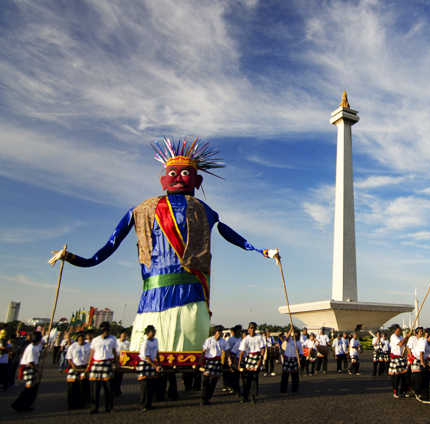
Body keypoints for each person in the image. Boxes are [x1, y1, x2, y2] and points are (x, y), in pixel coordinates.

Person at [48, 137, 277, 353]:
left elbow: (230, 234)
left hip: (191, 293)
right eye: (173, 173)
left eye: (185, 173)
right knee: (151, 343)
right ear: (163, 180)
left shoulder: (203, 210)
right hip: (154, 295)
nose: (178, 177)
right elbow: (110, 245)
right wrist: (73, 258)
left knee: (190, 345)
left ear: (197, 180)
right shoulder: (143, 209)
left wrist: (262, 251)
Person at [87, 322, 119, 414]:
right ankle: (94, 408)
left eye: (109, 330)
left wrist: (117, 364)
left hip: (108, 363)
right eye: (107, 330)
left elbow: (114, 352)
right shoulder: (95, 340)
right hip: (97, 364)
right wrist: (89, 366)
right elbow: (91, 354)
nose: (109, 332)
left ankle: (109, 407)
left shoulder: (113, 339)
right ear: (103, 331)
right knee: (94, 389)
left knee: (109, 388)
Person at [11, 331, 43, 412]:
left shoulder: (34, 347)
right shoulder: (31, 348)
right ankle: (19, 405)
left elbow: (35, 360)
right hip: (29, 369)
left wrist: (43, 355)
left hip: (32, 368)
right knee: (29, 388)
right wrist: (38, 371)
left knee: (33, 388)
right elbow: (30, 362)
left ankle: (27, 405)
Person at [200, 325, 229, 405]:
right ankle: (204, 398)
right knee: (206, 380)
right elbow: (203, 351)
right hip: (209, 361)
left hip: (217, 362)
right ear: (215, 332)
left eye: (221, 332)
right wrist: (199, 363)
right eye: (219, 331)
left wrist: (229, 360)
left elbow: (227, 351)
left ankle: (208, 397)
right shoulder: (208, 340)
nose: (220, 333)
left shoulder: (223, 341)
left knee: (214, 381)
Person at [237, 322, 266, 404]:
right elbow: (242, 352)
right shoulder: (246, 339)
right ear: (248, 329)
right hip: (249, 358)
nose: (252, 330)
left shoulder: (259, 337)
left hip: (257, 357)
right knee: (246, 379)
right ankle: (245, 396)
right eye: (251, 328)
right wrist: (239, 364)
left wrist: (261, 359)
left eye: (254, 328)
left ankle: (253, 396)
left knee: (254, 378)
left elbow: (263, 349)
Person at [66, 331, 91, 410]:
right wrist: (73, 365)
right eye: (81, 337)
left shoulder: (89, 346)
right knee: (72, 386)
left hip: (85, 367)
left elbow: (92, 357)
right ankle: (72, 404)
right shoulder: (73, 346)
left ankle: (82, 402)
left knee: (83, 384)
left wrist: (89, 366)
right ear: (78, 338)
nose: (82, 338)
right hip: (74, 366)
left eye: (83, 337)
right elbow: (69, 358)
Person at [388, 324, 409, 398]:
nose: (399, 329)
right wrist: (406, 337)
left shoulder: (401, 337)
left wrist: (406, 339)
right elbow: (400, 344)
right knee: (396, 376)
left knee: (405, 376)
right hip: (396, 359)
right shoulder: (393, 336)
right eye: (398, 328)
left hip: (401, 358)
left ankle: (403, 390)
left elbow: (404, 345)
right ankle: (395, 391)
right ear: (395, 329)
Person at [280, 328, 302, 394]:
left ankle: (294, 388)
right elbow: (286, 338)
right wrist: (290, 330)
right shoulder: (290, 340)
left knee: (295, 376)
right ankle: (283, 389)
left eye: (296, 334)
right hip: (287, 358)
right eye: (294, 334)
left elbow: (301, 353)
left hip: (294, 359)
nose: (295, 335)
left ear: (298, 336)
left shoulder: (299, 343)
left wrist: (299, 358)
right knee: (285, 375)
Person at [222, 325, 242, 395]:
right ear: (236, 331)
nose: (240, 332)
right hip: (232, 357)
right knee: (232, 374)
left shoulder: (241, 339)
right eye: (240, 330)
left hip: (239, 357)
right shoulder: (230, 339)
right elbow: (228, 349)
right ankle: (232, 387)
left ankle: (237, 389)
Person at [407, 327, 424, 395]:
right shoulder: (412, 338)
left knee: (417, 374)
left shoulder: (423, 339)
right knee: (414, 374)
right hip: (413, 358)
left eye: (422, 331)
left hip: (420, 358)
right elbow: (408, 347)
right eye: (420, 331)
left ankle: (416, 388)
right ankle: (414, 388)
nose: (421, 333)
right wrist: (411, 356)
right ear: (416, 332)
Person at [113, 331, 130, 396]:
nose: (124, 336)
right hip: (114, 359)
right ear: (120, 335)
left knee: (119, 376)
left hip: (122, 360)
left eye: (125, 334)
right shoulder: (116, 341)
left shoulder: (127, 343)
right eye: (123, 334)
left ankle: (117, 389)